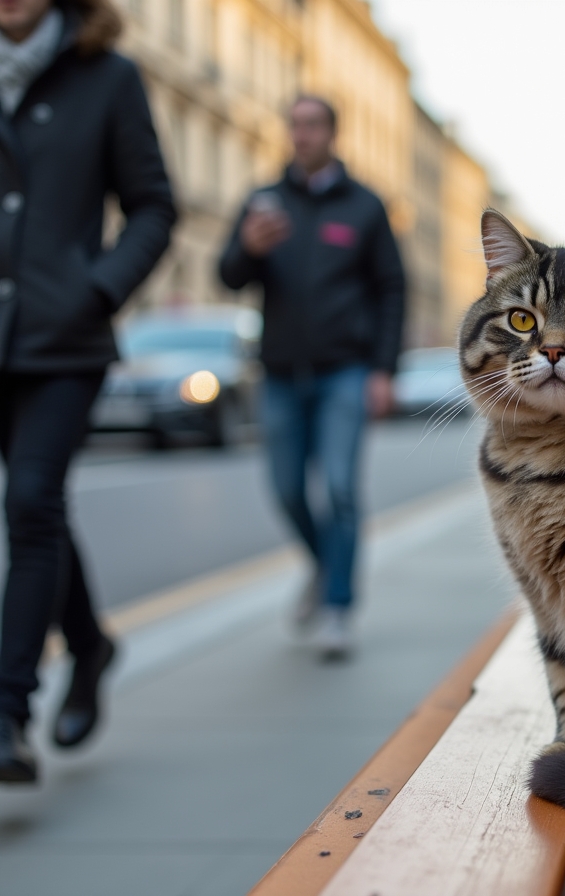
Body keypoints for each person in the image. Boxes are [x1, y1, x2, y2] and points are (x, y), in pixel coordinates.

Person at [0, 0, 176, 783]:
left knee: (32, 499)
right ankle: (91, 643)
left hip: (61, 339)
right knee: (36, 507)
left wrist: (97, 287)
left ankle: (5, 714)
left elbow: (153, 207)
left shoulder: (109, 78)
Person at [218, 96, 406, 661]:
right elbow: (227, 276)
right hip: (279, 373)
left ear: (332, 132)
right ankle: (326, 565)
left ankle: (338, 609)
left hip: (345, 372)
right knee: (285, 489)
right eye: (294, 125)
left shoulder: (365, 207)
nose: (301, 135)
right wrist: (249, 249)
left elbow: (391, 289)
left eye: (312, 125)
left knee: (342, 490)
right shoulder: (263, 201)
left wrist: (383, 370)